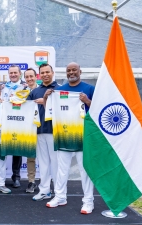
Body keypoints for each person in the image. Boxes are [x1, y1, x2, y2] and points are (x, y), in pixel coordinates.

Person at [43, 62, 95, 214]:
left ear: (80, 71)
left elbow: (99, 110)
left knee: (85, 170)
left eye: (74, 70)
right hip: (63, 135)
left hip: (83, 136)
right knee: (61, 169)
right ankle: (60, 197)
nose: (71, 72)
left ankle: (88, 201)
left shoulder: (89, 89)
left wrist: (87, 101)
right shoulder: (59, 90)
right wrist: (46, 99)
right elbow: (49, 112)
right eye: (68, 71)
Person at [27, 64, 59, 199]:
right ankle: (44, 190)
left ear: (53, 72)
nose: (45, 74)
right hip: (39, 131)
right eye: (43, 73)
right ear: (39, 75)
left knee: (56, 162)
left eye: (48, 72)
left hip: (55, 131)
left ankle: (59, 192)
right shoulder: (35, 91)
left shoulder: (60, 89)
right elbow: (26, 109)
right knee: (43, 162)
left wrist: (46, 101)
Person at [1, 65, 27, 188]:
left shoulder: (25, 86)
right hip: (5, 121)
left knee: (17, 150)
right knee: (3, 148)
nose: (13, 75)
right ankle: (0, 177)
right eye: (11, 73)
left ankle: (16, 177)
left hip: (19, 121)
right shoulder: (3, 87)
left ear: (19, 73)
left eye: (15, 73)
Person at [23, 68, 40, 193]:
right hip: (28, 128)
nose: (29, 79)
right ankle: (31, 181)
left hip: (43, 127)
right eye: (27, 77)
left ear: (36, 76)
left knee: (46, 157)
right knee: (31, 157)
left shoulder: (43, 90)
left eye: (31, 76)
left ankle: (47, 181)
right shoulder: (21, 92)